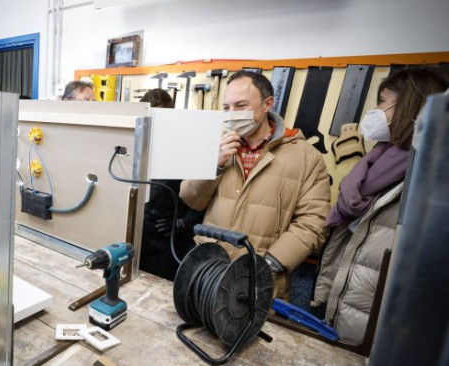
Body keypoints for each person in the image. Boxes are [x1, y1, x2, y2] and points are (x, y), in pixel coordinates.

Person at [311, 67, 449, 345]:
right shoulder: (380, 157)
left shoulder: (428, 178)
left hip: (378, 332)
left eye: (383, 102)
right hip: (341, 314)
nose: (375, 111)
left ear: (411, 105)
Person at [179, 70, 330, 300]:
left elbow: (314, 222)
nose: (232, 115)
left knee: (252, 334)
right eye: (226, 108)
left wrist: (271, 264)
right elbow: (191, 199)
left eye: (241, 106)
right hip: (209, 270)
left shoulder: (307, 157)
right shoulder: (216, 146)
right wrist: (215, 164)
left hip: (262, 281)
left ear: (268, 104)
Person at [138, 89, 203, 280]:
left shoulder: (188, 150)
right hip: (140, 232)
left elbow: (203, 195)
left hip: (170, 237)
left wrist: (184, 223)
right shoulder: (134, 144)